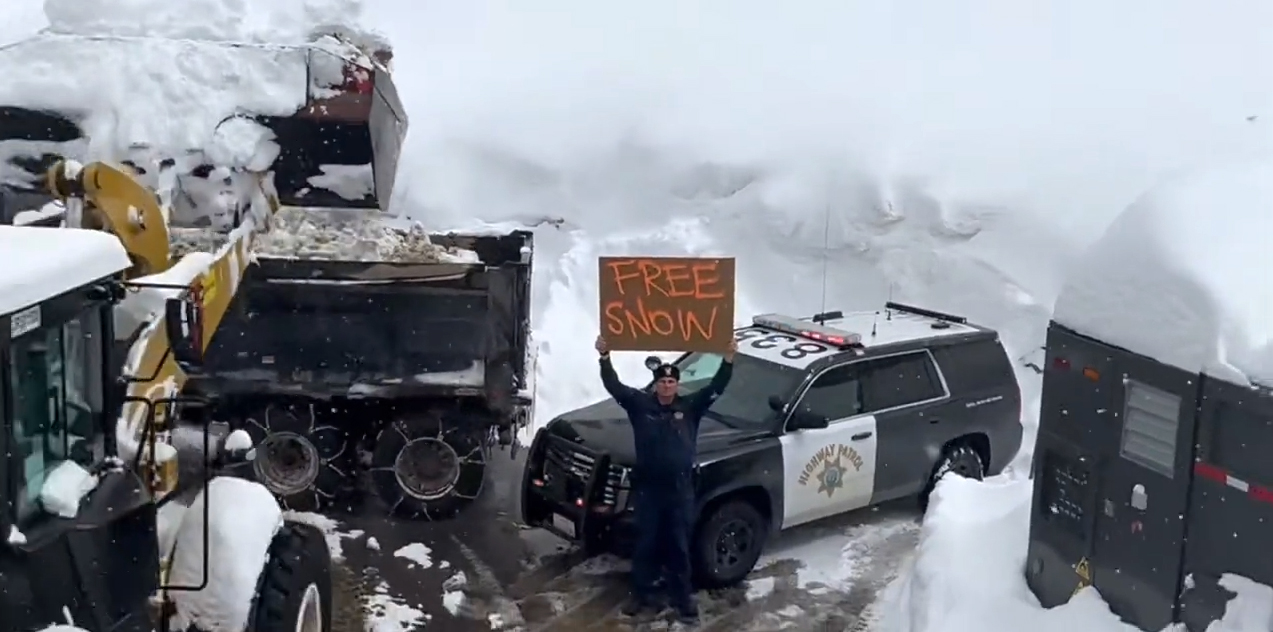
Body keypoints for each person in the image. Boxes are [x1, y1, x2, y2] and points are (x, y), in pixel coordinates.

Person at [595, 334, 737, 624]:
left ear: (678, 384)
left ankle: (683, 601)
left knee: (678, 546)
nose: (667, 386)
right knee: (645, 544)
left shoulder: (690, 408)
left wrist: (729, 360)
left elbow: (716, 388)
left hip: (680, 490)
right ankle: (642, 595)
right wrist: (605, 357)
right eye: (662, 382)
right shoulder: (639, 405)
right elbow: (614, 386)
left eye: (671, 382)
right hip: (649, 490)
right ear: (656, 384)